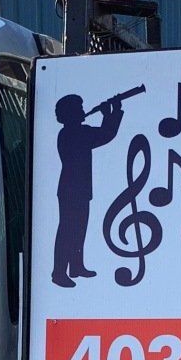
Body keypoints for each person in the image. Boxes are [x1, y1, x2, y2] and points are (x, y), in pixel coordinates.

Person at [50, 92, 125, 288]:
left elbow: (101, 134)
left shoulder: (73, 132)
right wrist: (112, 113)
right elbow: (106, 135)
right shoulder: (74, 133)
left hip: (77, 188)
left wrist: (108, 114)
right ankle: (59, 273)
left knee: (78, 229)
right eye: (79, 109)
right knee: (68, 230)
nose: (83, 112)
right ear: (71, 114)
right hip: (72, 189)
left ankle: (76, 266)